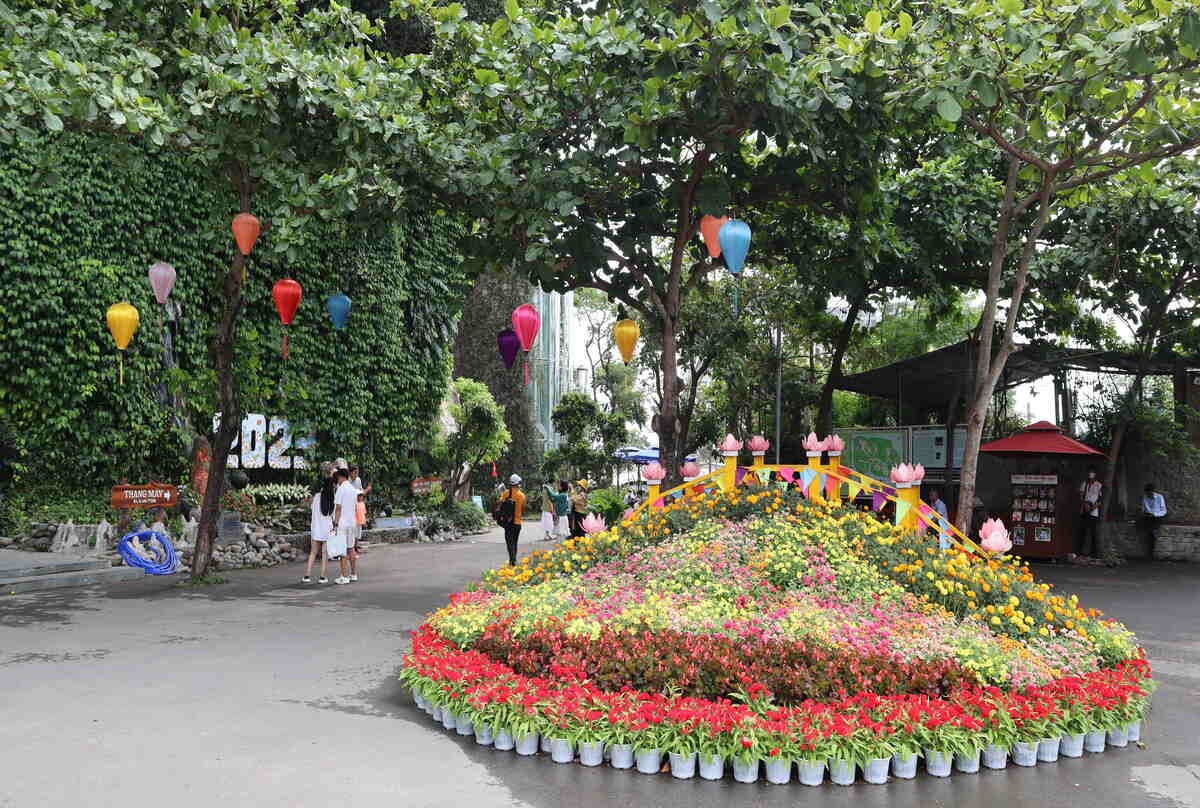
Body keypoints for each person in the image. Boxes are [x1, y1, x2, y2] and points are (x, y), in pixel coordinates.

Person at [302, 462, 336, 583]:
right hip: (327, 528)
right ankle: (322, 577)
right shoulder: (332, 499)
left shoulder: (316, 497)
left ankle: (307, 575)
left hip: (316, 527)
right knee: (324, 553)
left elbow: (312, 510)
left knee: (313, 552)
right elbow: (333, 515)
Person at [331, 467, 359, 584]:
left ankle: (343, 576)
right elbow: (356, 507)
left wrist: (335, 523)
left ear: (340, 477)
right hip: (352, 523)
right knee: (351, 548)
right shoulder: (353, 489)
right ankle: (353, 574)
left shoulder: (341, 489)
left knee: (342, 550)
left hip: (342, 523)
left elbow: (338, 508)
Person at [495, 474, 526, 565]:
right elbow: (523, 508)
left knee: (509, 542)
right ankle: (513, 559)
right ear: (518, 484)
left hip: (508, 522)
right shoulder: (522, 495)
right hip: (517, 523)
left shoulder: (506, 493)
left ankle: (512, 560)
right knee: (515, 542)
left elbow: (499, 503)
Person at [1077, 469, 1104, 559]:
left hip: (1094, 512)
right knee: (1082, 532)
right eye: (1089, 472)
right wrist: (1085, 505)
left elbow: (1100, 500)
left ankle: (1094, 554)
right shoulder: (1084, 484)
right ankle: (1080, 552)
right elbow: (1081, 497)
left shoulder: (1098, 485)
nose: (1091, 474)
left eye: (1092, 472)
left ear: (1095, 474)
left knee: (1093, 533)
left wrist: (1092, 508)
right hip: (1084, 510)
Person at [1141, 482, 1167, 558]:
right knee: (1149, 530)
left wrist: (1155, 514)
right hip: (1149, 517)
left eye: (1150, 493)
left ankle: (1151, 551)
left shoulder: (1160, 497)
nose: (1148, 495)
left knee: (1152, 530)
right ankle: (1153, 533)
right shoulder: (1145, 497)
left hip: (1158, 516)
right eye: (1147, 493)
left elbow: (1163, 511)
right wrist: (1147, 513)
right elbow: (1144, 508)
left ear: (1153, 491)